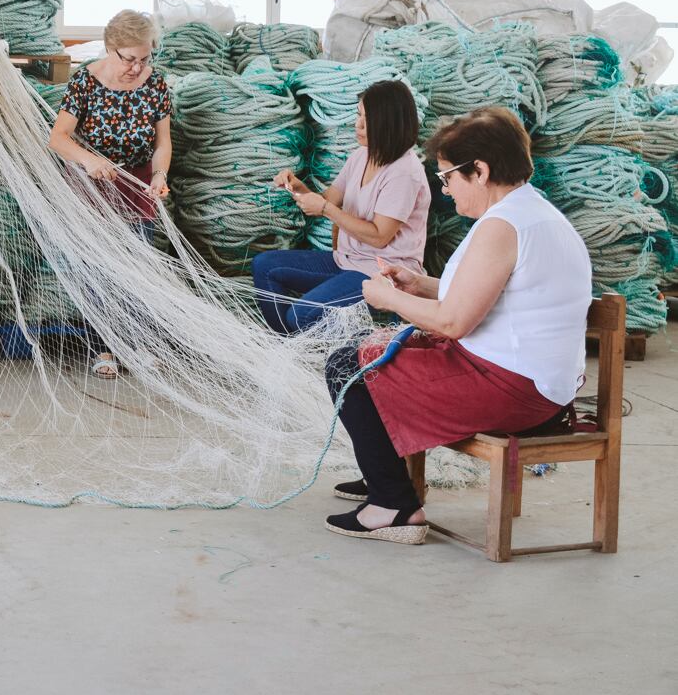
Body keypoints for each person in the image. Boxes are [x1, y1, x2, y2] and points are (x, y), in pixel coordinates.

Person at [322, 106, 592, 545]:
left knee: (346, 368)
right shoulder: (534, 213)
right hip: (537, 385)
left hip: (509, 388)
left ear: (480, 171)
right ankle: (386, 477)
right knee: (364, 354)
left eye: (448, 178)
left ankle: (392, 504)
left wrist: (387, 297)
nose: (445, 190)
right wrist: (420, 283)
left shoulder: (502, 226)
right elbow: (489, 294)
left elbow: (454, 321)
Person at [48, 9, 172, 379]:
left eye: (144, 59)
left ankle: (135, 346)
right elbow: (58, 138)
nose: (137, 67)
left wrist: (160, 175)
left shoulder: (156, 84)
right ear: (110, 48)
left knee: (137, 270)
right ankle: (103, 348)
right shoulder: (84, 82)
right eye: (129, 59)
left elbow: (163, 144)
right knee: (97, 272)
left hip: (136, 187)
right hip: (93, 189)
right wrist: (88, 161)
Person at [251, 79, 429, 334]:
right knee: (264, 266)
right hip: (345, 260)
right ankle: (289, 346)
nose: (358, 125)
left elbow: (379, 236)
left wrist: (324, 209)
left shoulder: (404, 172)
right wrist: (297, 187)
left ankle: (298, 344)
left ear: (388, 124)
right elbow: (329, 197)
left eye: (367, 120)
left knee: (300, 317)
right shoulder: (361, 156)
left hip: (379, 273)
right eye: (358, 116)